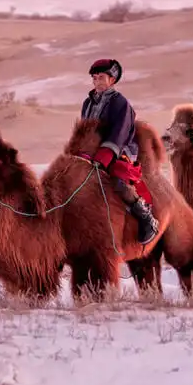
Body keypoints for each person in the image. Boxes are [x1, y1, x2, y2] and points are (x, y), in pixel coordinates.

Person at [80, 57, 159, 245]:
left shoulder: (120, 104)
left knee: (118, 183)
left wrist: (104, 156)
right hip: (90, 154)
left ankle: (146, 218)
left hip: (118, 151)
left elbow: (120, 132)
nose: (96, 81)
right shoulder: (87, 103)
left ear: (112, 80)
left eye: (100, 77)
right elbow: (83, 131)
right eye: (94, 78)